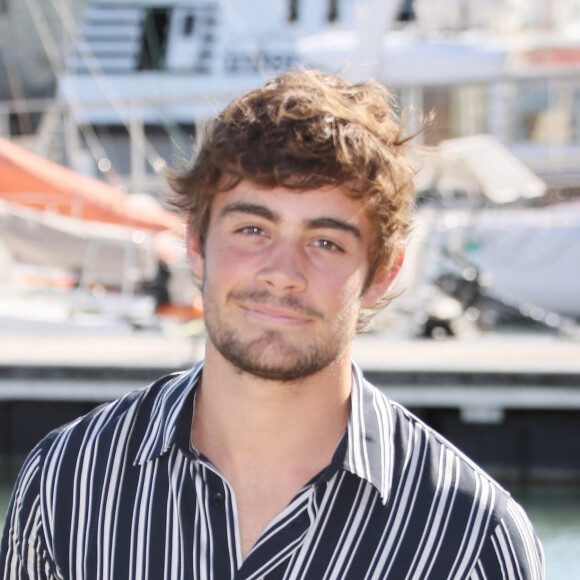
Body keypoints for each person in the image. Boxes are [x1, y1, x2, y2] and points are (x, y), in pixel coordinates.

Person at [1, 70, 544, 579]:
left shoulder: (472, 542)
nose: (283, 273)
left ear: (382, 272)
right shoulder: (68, 485)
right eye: (253, 230)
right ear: (196, 242)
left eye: (325, 242)